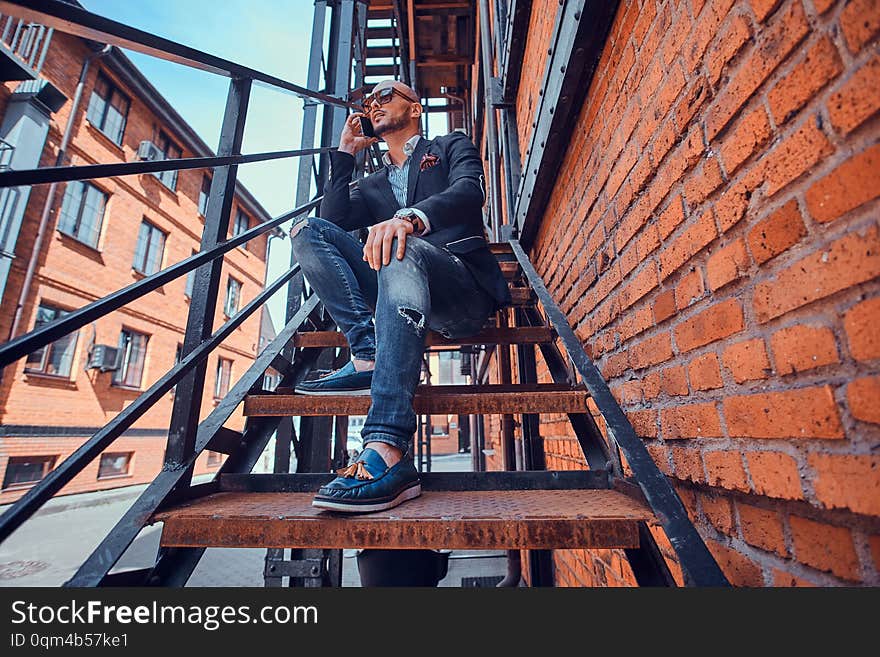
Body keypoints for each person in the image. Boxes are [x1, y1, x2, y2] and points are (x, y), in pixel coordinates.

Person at [289, 79, 511, 513]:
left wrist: (408, 219)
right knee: (307, 231)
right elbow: (334, 222)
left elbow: (470, 192)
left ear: (415, 109)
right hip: (401, 290)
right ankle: (366, 353)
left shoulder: (449, 145)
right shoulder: (373, 185)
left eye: (385, 95)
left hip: (459, 290)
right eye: (368, 101)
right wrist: (345, 157)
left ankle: (387, 446)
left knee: (397, 241)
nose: (373, 104)